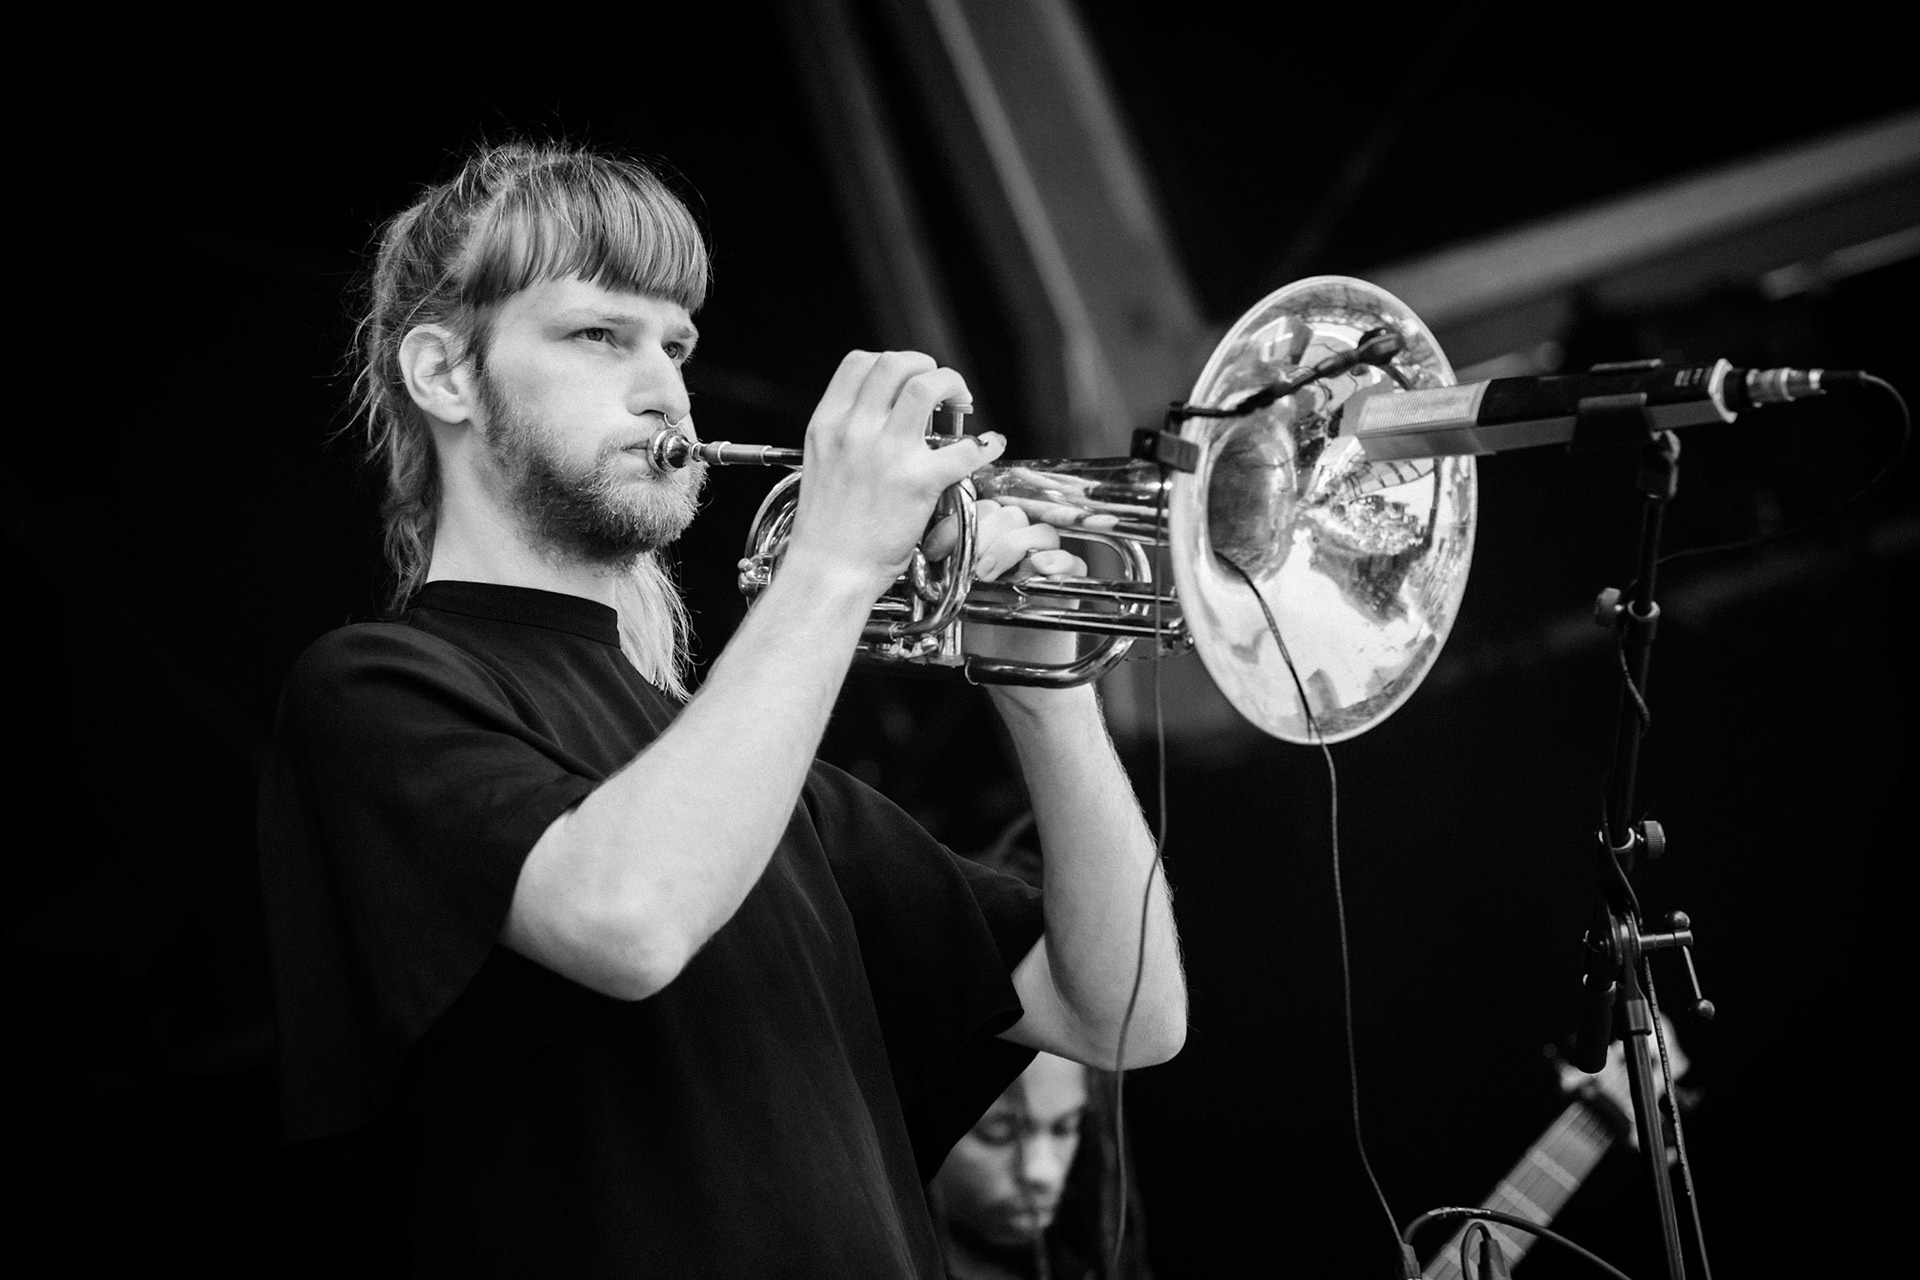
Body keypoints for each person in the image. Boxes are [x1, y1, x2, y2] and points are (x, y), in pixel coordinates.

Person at [255, 139, 1186, 1278]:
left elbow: (1123, 1015)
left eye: (677, 343)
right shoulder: (377, 689)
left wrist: (1045, 680)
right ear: (446, 373)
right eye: (600, 333)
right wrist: (837, 562)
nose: (664, 385)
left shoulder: (754, 773)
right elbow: (630, 918)